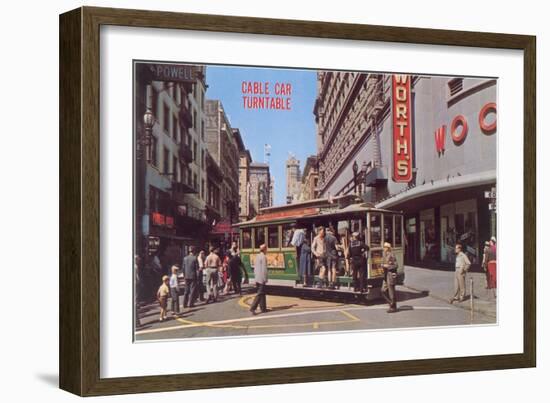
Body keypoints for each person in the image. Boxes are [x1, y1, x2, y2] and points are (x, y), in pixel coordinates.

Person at [250, 244, 268, 315]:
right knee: (260, 293)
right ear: (264, 249)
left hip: (257, 277)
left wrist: (255, 278)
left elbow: (255, 268)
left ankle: (263, 308)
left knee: (262, 293)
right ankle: (253, 308)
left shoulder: (257, 256)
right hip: (261, 277)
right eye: (266, 249)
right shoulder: (263, 257)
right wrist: (265, 278)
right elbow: (264, 269)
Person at [381, 242, 398, 313]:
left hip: (390, 274)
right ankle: (391, 303)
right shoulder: (384, 255)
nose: (383, 248)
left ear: (388, 248)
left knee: (391, 291)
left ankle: (393, 306)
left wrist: (388, 266)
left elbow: (396, 265)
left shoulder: (392, 255)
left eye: (385, 247)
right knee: (383, 290)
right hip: (385, 275)